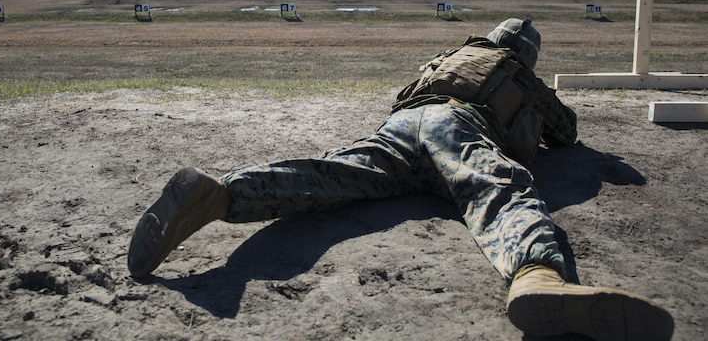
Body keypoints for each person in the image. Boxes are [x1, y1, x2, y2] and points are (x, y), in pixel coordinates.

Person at [128, 18, 674, 341]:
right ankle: (537, 276)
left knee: (332, 174)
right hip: (457, 127)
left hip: (401, 125)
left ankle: (221, 192)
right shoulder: (517, 74)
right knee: (498, 190)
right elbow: (567, 133)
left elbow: (404, 100)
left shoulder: (448, 57)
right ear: (526, 55)